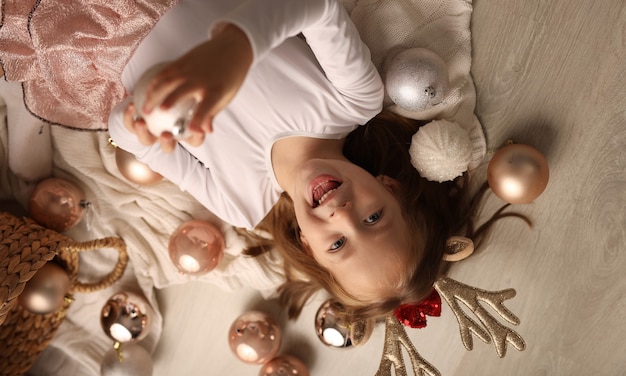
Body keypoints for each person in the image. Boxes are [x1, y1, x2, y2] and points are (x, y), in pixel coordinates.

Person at [109, 0, 507, 322]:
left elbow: (134, 144)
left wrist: (137, 121)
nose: (343, 215)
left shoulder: (239, 203)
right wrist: (233, 50)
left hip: (110, 36)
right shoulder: (354, 100)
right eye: (373, 219)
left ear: (308, 247)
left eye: (337, 244)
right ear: (389, 186)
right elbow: (315, 8)